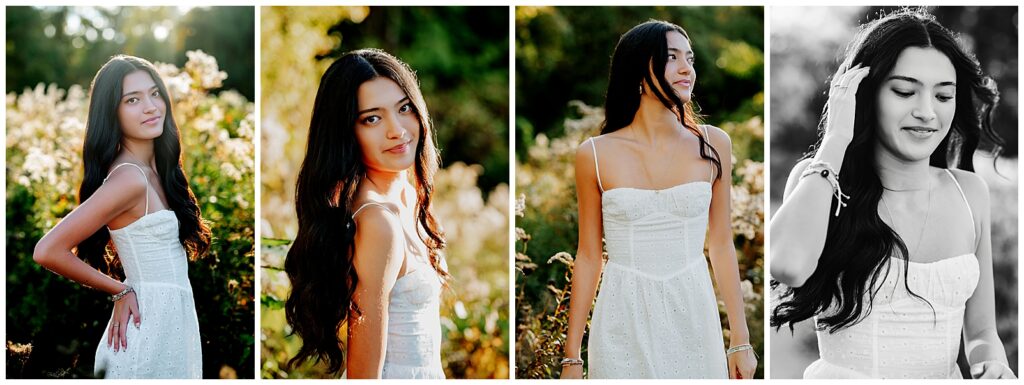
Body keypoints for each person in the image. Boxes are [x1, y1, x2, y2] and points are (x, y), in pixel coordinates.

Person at [770, 9, 1015, 379]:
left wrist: (991, 363)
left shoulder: (969, 193)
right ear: (866, 96)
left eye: (943, 96)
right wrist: (836, 139)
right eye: (904, 91)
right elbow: (788, 266)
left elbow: (981, 333)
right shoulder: (820, 182)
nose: (926, 112)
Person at [560, 20, 757, 379]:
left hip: (693, 311)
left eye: (690, 58)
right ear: (638, 69)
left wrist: (740, 340)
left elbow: (721, 243)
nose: (687, 69)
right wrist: (572, 357)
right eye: (671, 57)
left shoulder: (715, 144)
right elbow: (589, 256)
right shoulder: (595, 155)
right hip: (622, 314)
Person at [33, 55, 210, 379]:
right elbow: (47, 251)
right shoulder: (129, 179)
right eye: (132, 99)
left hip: (169, 323)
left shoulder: (155, 172)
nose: (151, 106)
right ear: (111, 112)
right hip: (147, 329)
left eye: (155, 93)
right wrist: (120, 290)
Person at [283, 49, 448, 379]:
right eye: (372, 118)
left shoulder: (408, 197)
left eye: (404, 109)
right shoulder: (377, 222)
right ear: (346, 133)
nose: (397, 130)